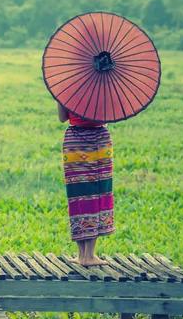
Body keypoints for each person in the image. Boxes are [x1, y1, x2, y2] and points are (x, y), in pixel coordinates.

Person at [58, 102, 113, 266]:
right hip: (97, 140)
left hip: (73, 141)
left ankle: (81, 254)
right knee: (96, 193)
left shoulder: (66, 90)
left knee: (78, 194)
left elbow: (62, 118)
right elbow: (107, 117)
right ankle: (88, 255)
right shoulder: (101, 89)